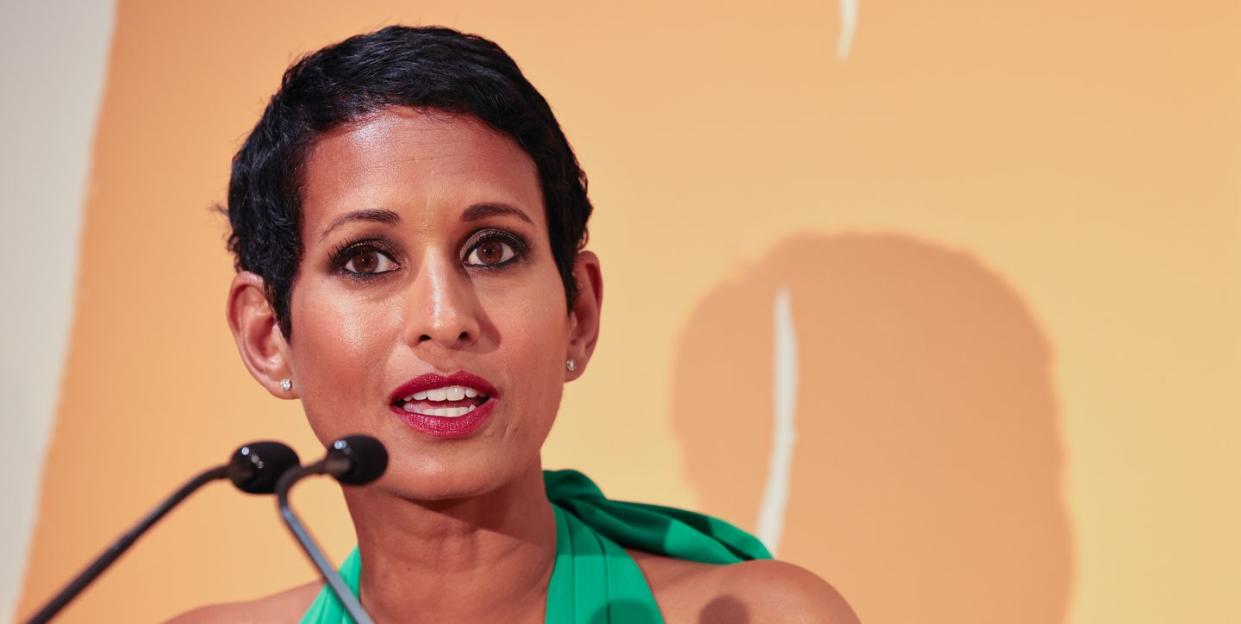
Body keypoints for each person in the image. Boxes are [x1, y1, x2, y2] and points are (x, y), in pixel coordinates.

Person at [170, 25, 858, 623]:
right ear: (267, 338)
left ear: (577, 313)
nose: (444, 319)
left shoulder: (756, 617)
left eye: (492, 250)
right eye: (367, 260)